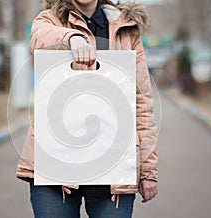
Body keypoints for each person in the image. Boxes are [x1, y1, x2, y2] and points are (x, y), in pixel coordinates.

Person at [16, 0, 158, 217]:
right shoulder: (50, 18)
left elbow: (142, 102)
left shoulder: (126, 27)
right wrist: (71, 38)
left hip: (113, 169)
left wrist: (148, 171)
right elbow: (38, 36)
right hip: (56, 167)